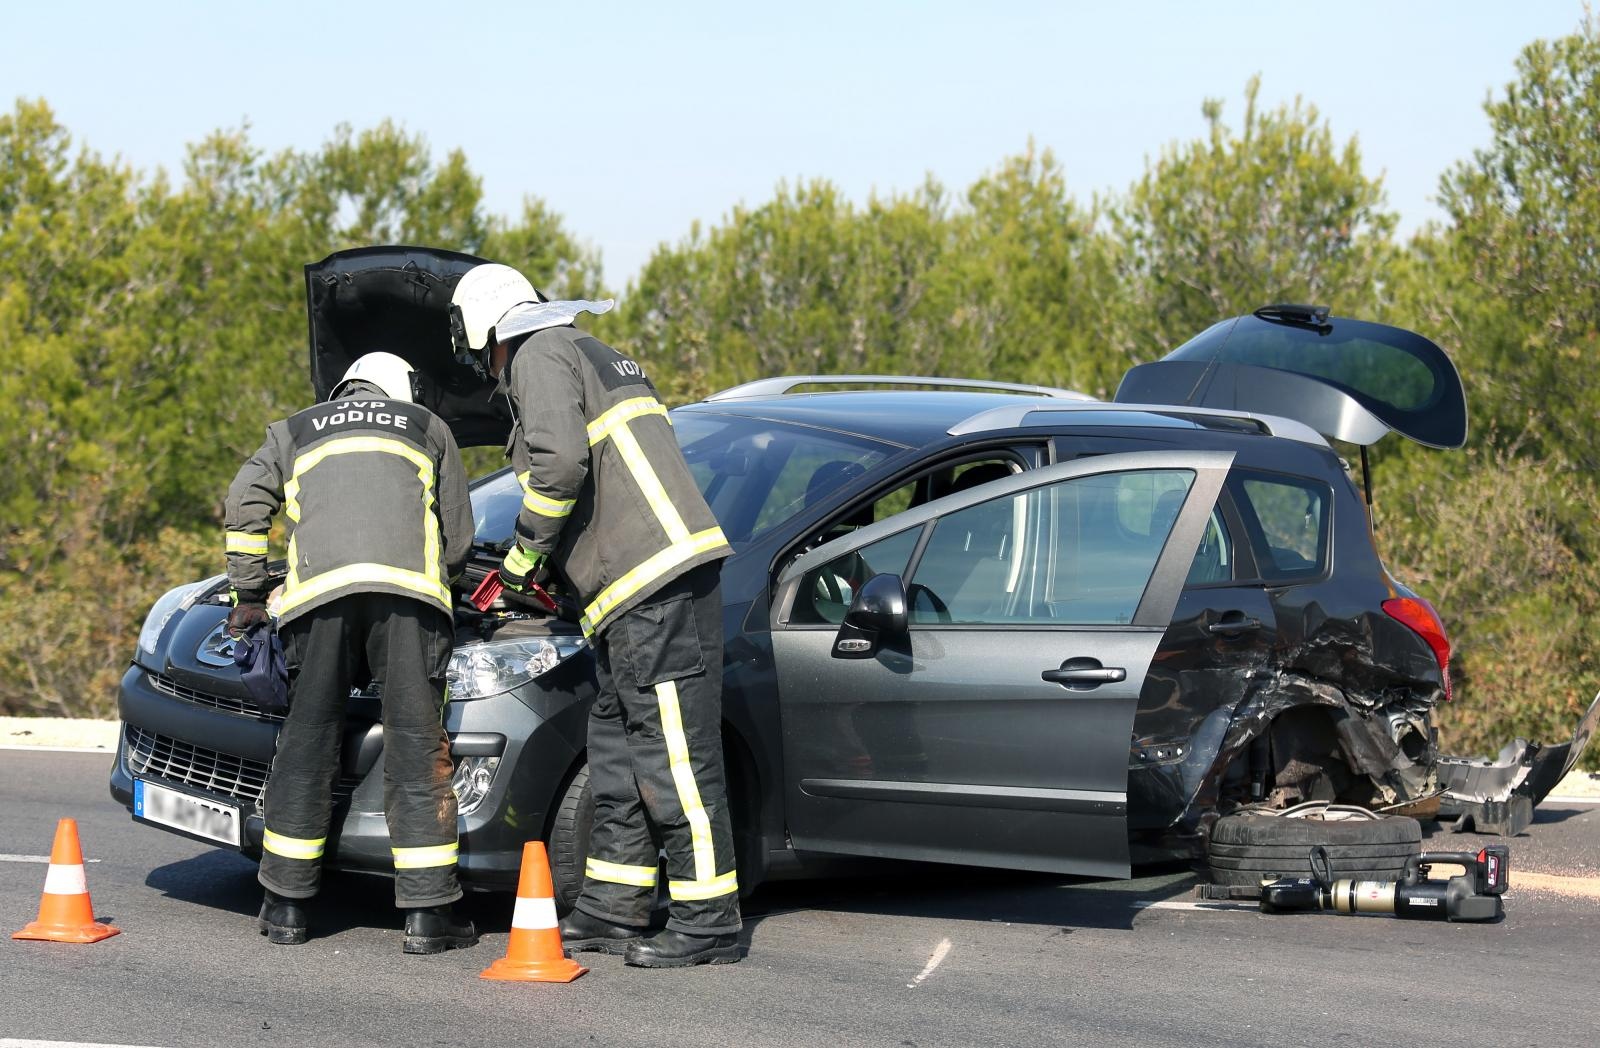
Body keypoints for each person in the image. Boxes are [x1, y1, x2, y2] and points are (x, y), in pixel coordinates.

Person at [449, 264, 742, 967]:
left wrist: (521, 561)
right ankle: (614, 904)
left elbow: (559, 468)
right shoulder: (584, 349)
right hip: (632, 592)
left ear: (483, 326)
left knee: (674, 754)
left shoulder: (539, 353)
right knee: (618, 749)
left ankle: (709, 920)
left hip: (654, 584)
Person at [223, 350, 477, 954]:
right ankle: (428, 915)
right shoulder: (428, 428)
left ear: (344, 389)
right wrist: (451, 584)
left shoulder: (293, 429)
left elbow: (243, 504)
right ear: (400, 389)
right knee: (417, 746)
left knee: (307, 741)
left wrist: (249, 590)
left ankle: (285, 904)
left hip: (319, 601)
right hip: (409, 603)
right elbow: (459, 536)